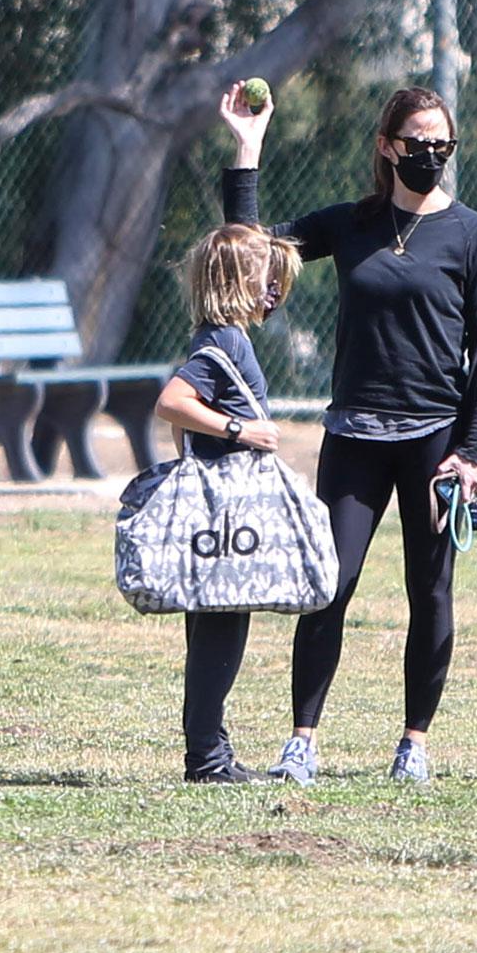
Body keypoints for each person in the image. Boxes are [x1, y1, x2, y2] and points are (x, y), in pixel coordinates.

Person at [217, 82, 477, 785]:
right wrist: (247, 149)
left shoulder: (474, 235)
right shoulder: (352, 224)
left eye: (442, 145)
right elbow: (252, 254)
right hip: (354, 433)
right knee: (328, 585)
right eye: (417, 144)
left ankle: (413, 744)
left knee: (429, 592)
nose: (430, 156)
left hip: (435, 442)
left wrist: (472, 453)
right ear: (386, 146)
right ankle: (302, 743)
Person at [154, 222, 303, 783]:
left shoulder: (217, 336)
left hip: (215, 507)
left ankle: (212, 747)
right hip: (226, 511)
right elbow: (172, 402)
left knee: (213, 625)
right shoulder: (225, 342)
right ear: (238, 280)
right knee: (222, 625)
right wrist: (242, 430)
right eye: (267, 279)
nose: (274, 292)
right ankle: (207, 759)